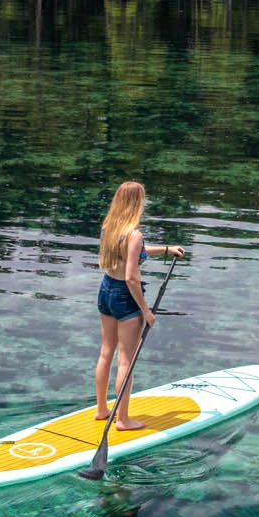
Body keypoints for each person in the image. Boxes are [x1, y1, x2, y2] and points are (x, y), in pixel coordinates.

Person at [93, 181, 186, 431]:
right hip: (125, 297)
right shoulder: (134, 234)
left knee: (106, 352)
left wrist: (166, 249)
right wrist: (146, 310)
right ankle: (122, 420)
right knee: (126, 361)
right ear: (137, 203)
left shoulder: (109, 227)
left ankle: (102, 409)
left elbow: (135, 252)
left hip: (105, 291)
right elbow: (131, 277)